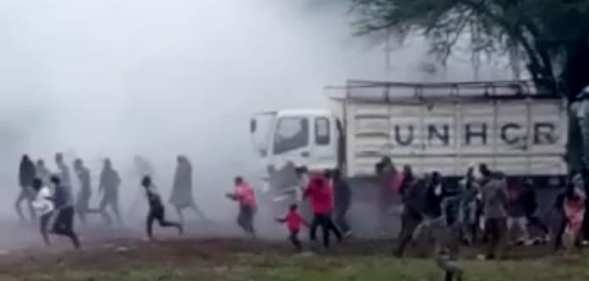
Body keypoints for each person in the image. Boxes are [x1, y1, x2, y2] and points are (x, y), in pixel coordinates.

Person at [304, 172, 342, 250]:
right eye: (316, 181)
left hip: (326, 209)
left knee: (325, 227)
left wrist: (309, 192)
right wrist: (305, 194)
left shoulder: (326, 187)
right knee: (322, 225)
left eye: (319, 182)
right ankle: (313, 239)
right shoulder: (313, 183)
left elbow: (325, 197)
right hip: (318, 210)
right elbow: (308, 190)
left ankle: (326, 244)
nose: (317, 183)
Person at [479, 166, 509, 260]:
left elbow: (482, 200)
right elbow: (505, 197)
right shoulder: (500, 184)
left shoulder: (485, 186)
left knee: (494, 235)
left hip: (488, 213)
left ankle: (490, 254)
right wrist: (506, 204)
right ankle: (501, 254)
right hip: (499, 213)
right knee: (503, 234)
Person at [141, 176, 183, 240]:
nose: (143, 185)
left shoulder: (150, 187)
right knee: (162, 223)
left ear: (147, 182)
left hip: (156, 207)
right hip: (159, 207)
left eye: (144, 183)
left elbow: (157, 196)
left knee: (149, 221)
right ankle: (178, 225)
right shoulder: (150, 187)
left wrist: (152, 199)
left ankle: (149, 237)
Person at [395, 165, 424, 257]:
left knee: (408, 232)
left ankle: (403, 249)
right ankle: (399, 251)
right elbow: (413, 200)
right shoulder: (416, 186)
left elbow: (401, 192)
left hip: (409, 210)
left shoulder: (411, 184)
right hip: (411, 211)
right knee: (408, 232)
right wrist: (419, 213)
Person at [169, 155, 207, 224]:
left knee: (184, 206)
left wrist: (175, 187)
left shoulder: (182, 166)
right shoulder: (187, 166)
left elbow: (177, 178)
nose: (178, 162)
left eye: (178, 160)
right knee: (187, 206)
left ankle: (202, 217)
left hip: (182, 191)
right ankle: (202, 217)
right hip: (183, 191)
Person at [50, 175, 81, 249]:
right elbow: (61, 198)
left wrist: (48, 199)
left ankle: (75, 240)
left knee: (55, 229)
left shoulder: (58, 187)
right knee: (67, 229)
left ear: (53, 182)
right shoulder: (63, 186)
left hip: (65, 209)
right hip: (69, 208)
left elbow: (58, 199)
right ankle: (76, 243)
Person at [520, 178, 550, 243]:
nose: (524, 187)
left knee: (536, 222)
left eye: (525, 186)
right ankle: (533, 236)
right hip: (529, 209)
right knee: (530, 223)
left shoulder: (530, 192)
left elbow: (529, 201)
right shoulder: (528, 192)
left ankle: (544, 234)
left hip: (532, 209)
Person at [98, 158, 123, 225]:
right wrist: (99, 189)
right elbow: (101, 182)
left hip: (113, 192)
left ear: (109, 164)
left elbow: (119, 180)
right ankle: (109, 220)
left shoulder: (113, 172)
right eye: (105, 164)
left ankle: (120, 222)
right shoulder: (103, 173)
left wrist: (115, 185)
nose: (106, 165)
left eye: (107, 164)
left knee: (114, 208)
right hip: (107, 192)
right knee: (101, 207)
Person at [31, 178, 54, 246]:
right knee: (44, 228)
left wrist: (34, 204)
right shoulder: (43, 190)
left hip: (46, 212)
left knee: (42, 229)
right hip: (48, 210)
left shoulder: (42, 192)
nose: (33, 186)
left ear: (37, 184)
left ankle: (48, 243)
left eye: (34, 184)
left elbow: (44, 206)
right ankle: (48, 242)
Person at [16, 154, 36, 222]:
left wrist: (30, 186)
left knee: (30, 204)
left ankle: (33, 219)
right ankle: (24, 218)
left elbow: (33, 175)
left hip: (29, 187)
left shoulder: (30, 165)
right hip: (25, 188)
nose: (24, 161)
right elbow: (21, 175)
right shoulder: (22, 164)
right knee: (17, 204)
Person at [332, 169, 352, 238]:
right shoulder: (334, 183)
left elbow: (348, 193)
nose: (333, 176)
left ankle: (348, 231)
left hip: (343, 203)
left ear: (338, 175)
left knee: (338, 218)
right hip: (337, 204)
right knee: (338, 218)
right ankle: (346, 231)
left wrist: (346, 202)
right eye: (333, 174)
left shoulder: (342, 183)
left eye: (335, 174)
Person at [73, 159, 93, 224]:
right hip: (84, 191)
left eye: (76, 165)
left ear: (79, 164)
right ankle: (84, 223)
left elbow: (85, 182)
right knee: (79, 209)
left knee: (79, 209)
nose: (75, 166)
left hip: (85, 192)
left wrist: (81, 193)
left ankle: (84, 223)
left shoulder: (84, 171)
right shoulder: (83, 171)